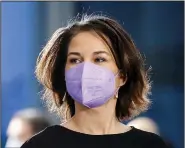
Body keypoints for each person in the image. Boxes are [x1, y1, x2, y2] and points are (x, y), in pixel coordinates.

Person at [21, 14, 169, 148]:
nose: (86, 70)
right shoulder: (41, 145)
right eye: (75, 60)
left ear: (122, 77)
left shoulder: (150, 145)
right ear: (63, 74)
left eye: (99, 59)